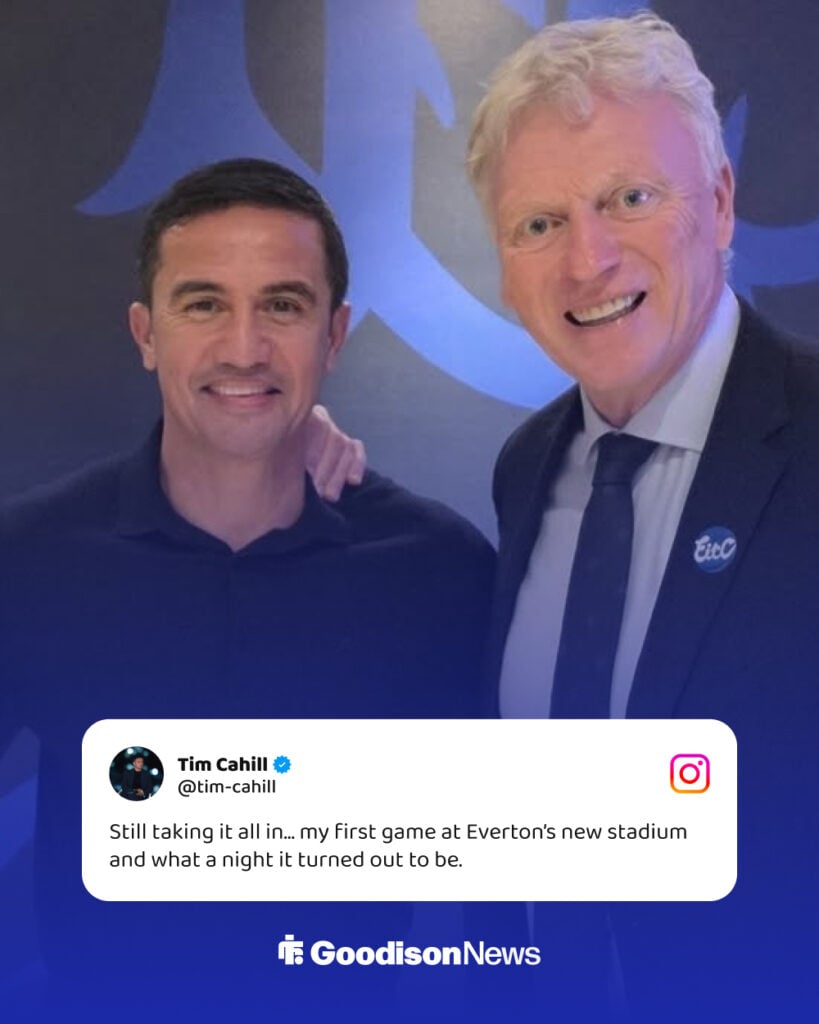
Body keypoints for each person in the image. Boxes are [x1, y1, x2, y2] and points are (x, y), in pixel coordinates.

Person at [0, 158, 494, 1016]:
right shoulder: (31, 556)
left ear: (333, 336)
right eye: (202, 304)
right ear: (145, 332)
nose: (242, 346)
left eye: (283, 305)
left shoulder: (438, 569)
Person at [462, 12, 819, 1021]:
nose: (588, 259)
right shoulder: (526, 469)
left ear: (718, 203)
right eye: (539, 223)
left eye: (630, 198)